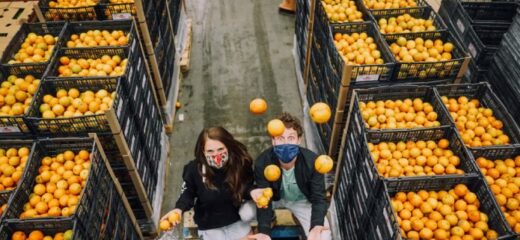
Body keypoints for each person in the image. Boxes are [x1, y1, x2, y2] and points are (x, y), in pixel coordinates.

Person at [161, 127, 255, 240]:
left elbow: (247, 187)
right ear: (202, 151)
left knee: (248, 213)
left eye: (220, 149)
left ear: (229, 147)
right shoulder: (194, 170)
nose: (216, 156)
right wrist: (179, 209)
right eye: (210, 151)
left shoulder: (240, 164)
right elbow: (187, 193)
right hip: (210, 225)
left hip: (236, 219)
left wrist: (253, 192)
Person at [248, 112, 331, 240]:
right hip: (274, 199)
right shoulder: (262, 162)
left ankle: (298, 217)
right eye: (280, 138)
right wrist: (264, 230)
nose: (286, 143)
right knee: (245, 213)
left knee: (323, 235)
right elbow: (264, 199)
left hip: (301, 201)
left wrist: (316, 225)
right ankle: (271, 218)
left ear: (299, 140)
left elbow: (318, 198)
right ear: (273, 141)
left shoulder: (313, 162)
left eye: (291, 138)